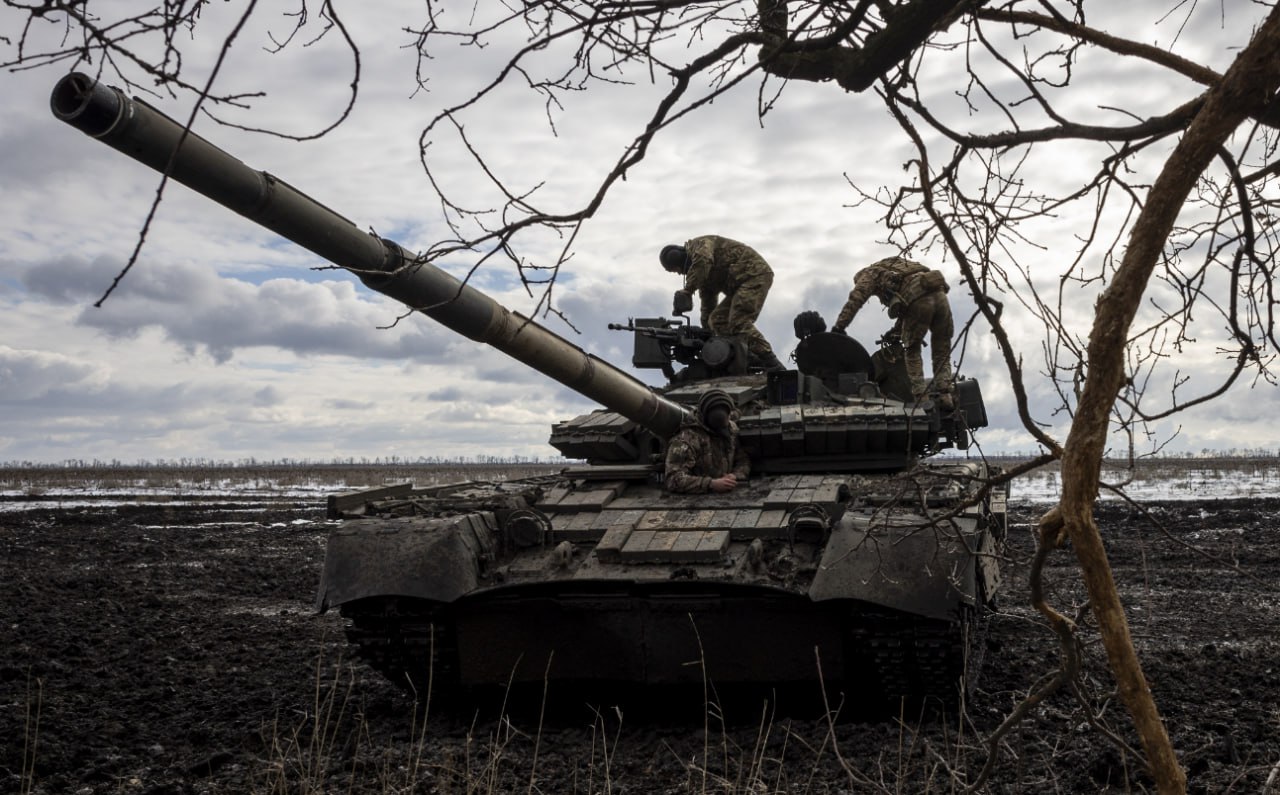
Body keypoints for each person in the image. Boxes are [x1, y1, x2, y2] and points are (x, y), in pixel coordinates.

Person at [831, 255, 955, 406]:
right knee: (942, 349)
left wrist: (839, 327)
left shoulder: (869, 274)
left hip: (918, 300)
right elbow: (907, 305)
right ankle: (945, 394)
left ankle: (921, 398)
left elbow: (856, 299)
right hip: (939, 295)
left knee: (912, 350)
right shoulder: (897, 266)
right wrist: (895, 332)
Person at [660, 235, 785, 371]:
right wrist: (706, 333)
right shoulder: (703, 276)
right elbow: (708, 305)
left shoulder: (700, 246)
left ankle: (771, 361)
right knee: (717, 320)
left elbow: (703, 261)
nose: (679, 274)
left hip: (754, 274)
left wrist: (688, 290)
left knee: (738, 322)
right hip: (740, 285)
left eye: (678, 269)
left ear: (680, 258)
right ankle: (749, 356)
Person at [664, 389, 751, 494]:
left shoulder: (731, 429)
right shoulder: (686, 441)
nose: (724, 430)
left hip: (728, 493)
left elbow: (743, 459)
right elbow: (673, 479)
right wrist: (711, 484)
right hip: (695, 500)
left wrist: (735, 475)